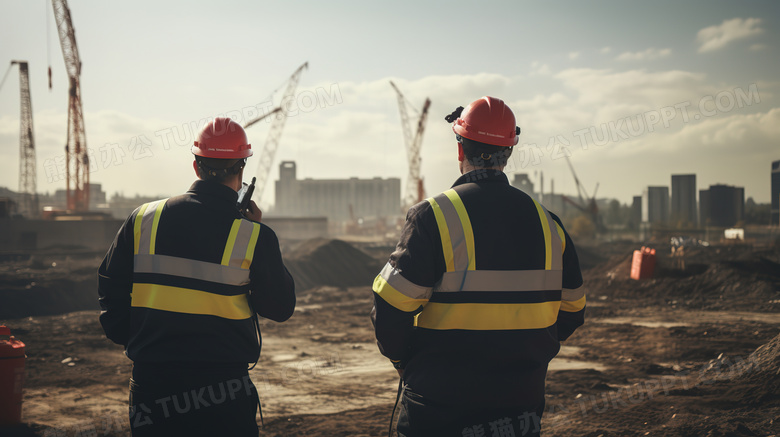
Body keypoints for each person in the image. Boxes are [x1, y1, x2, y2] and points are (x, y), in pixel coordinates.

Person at [371, 97, 585, 436]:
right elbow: (572, 311)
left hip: (439, 410)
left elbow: (390, 307)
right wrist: (527, 353)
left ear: (460, 150)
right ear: (509, 152)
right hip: (519, 410)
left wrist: (408, 362)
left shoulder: (433, 217)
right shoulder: (550, 225)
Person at [98, 117, 296, 436]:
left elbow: (110, 285)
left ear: (196, 166)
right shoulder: (253, 235)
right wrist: (258, 233)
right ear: (241, 169)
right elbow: (280, 308)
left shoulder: (143, 219)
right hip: (222, 391)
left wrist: (133, 337)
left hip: (153, 384)